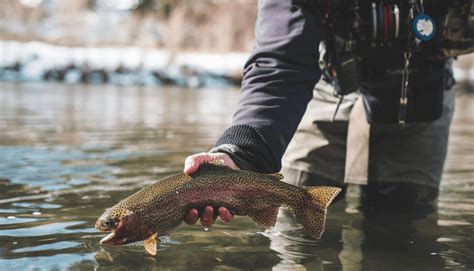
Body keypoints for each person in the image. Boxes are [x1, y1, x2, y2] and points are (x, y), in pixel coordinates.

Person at [179, 0, 472, 229]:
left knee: (403, 227)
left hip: (421, 89)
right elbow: (279, 63)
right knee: (297, 224)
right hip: (329, 81)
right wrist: (240, 152)